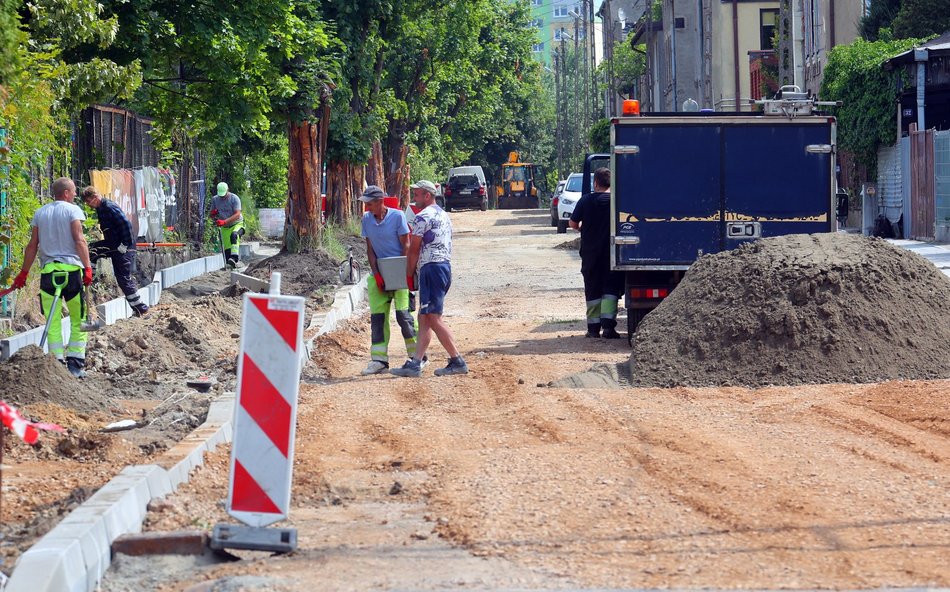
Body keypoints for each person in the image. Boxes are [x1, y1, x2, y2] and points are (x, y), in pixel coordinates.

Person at [11, 177, 94, 377]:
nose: (75, 195)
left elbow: (32, 245)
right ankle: (75, 365)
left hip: (49, 274)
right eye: (73, 191)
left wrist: (24, 272)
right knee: (79, 319)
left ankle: (56, 364)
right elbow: (79, 239)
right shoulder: (73, 211)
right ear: (66, 193)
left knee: (52, 320)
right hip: (72, 272)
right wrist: (88, 267)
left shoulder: (41, 212)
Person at [391, 180, 468, 377]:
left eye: (416, 195)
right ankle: (416, 362)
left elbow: (414, 248)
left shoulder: (422, 217)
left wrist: (408, 274)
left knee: (433, 317)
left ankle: (457, 360)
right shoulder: (443, 215)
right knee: (424, 316)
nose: (414, 199)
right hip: (443, 267)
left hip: (431, 269)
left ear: (427, 195)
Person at [358, 185, 419, 375]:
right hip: (380, 272)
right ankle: (379, 361)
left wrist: (402, 272)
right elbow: (370, 249)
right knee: (378, 319)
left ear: (379, 202)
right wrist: (376, 274)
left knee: (404, 316)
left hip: (398, 272)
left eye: (369, 203)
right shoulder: (366, 220)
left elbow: (406, 245)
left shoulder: (397, 216)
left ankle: (417, 357)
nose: (366, 207)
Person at [569, 167, 624, 339]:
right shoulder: (617, 201)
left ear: (595, 183)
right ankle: (608, 328)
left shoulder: (585, 201)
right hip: (612, 254)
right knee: (611, 290)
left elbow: (572, 223)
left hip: (590, 255)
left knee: (592, 290)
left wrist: (581, 228)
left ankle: (593, 330)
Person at [80, 186, 149, 317]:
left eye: (89, 201)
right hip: (113, 243)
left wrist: (125, 244)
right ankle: (88, 279)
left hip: (123, 245)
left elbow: (126, 225)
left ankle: (141, 308)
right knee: (93, 250)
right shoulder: (100, 208)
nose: (88, 205)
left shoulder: (109, 207)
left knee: (123, 278)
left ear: (95, 197)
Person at [210, 182, 244, 268]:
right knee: (227, 252)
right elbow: (211, 215)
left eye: (224, 195)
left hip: (237, 224)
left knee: (234, 236)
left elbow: (237, 214)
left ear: (228, 190)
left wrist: (224, 221)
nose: (222, 197)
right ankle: (231, 264)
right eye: (220, 195)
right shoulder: (215, 199)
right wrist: (213, 215)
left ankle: (235, 258)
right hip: (225, 227)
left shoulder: (234, 198)